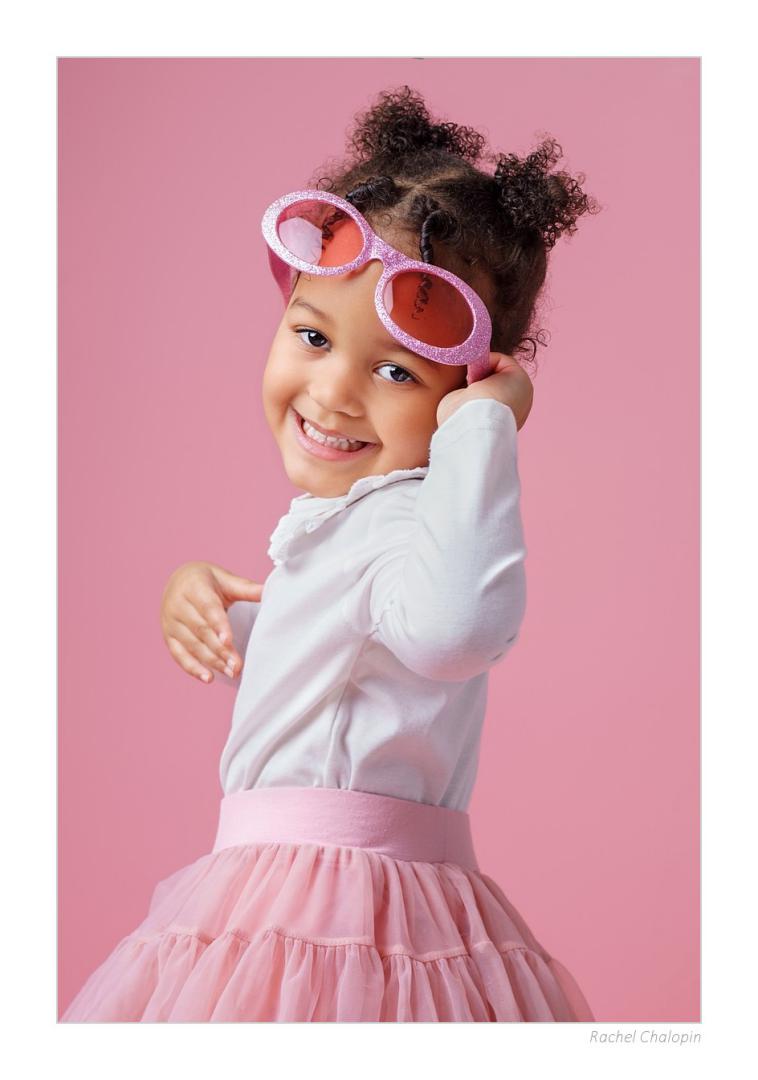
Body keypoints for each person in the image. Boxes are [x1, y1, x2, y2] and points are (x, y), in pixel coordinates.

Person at [62, 84, 600, 1022]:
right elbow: (335, 674)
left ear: (466, 388)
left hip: (338, 905)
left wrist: (483, 432)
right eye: (312, 335)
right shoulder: (359, 523)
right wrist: (212, 604)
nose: (336, 391)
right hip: (293, 887)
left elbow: (452, 633)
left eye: (396, 370)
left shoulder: (412, 519)